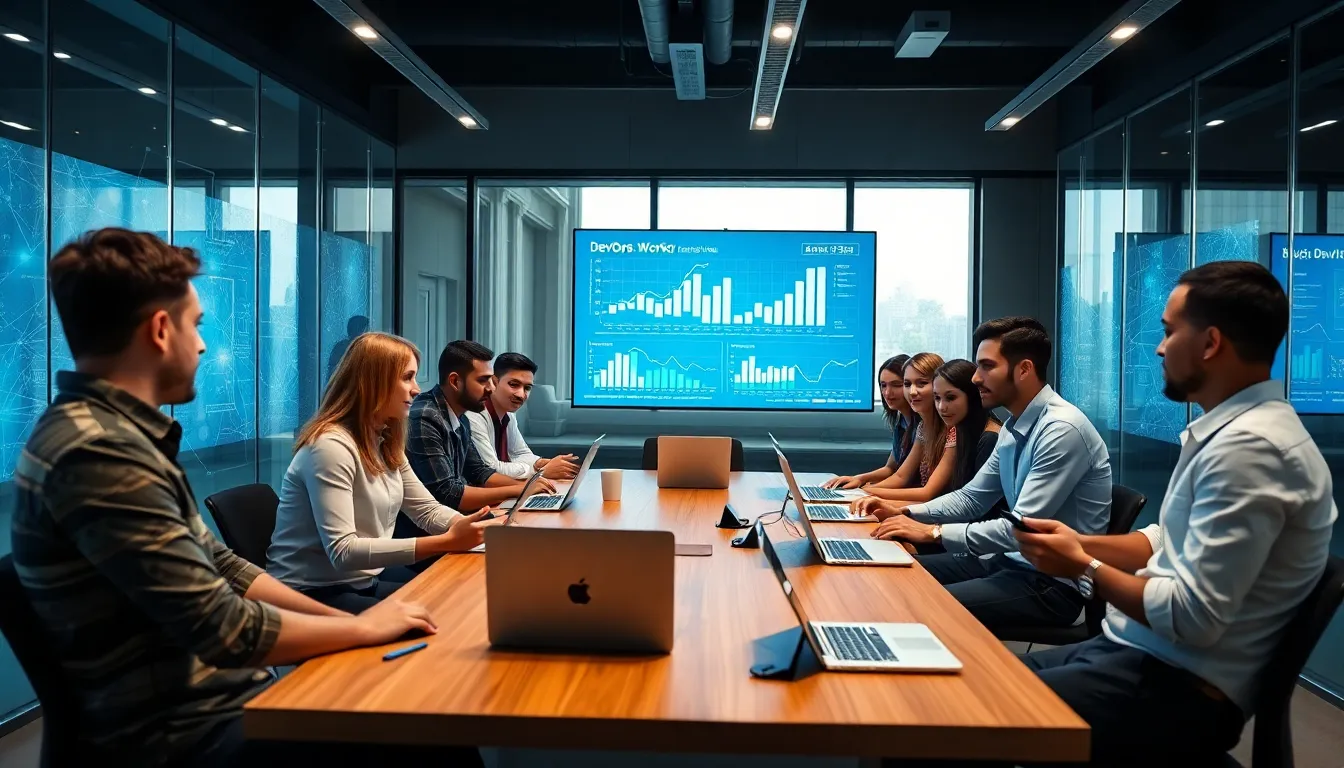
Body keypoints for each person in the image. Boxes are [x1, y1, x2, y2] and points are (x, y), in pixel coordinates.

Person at [11, 228, 479, 767]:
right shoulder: (100, 454)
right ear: (161, 330)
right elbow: (223, 629)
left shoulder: (112, 435)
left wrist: (350, 625)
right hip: (185, 735)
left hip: (213, 707)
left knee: (420, 700)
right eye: (197, 326)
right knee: (427, 725)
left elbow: (222, 564)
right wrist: (355, 627)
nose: (204, 344)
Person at [1014, 262, 1335, 766]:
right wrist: (1078, 543)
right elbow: (1167, 540)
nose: (1160, 348)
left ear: (1209, 344)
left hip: (1172, 686)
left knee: (960, 719)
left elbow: (1193, 617)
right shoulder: (1233, 432)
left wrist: (1083, 566)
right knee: (975, 686)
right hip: (1137, 655)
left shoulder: (1250, 448)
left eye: (1168, 332)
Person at [858, 317, 1111, 633]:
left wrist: (933, 532)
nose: (976, 378)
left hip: (1050, 584)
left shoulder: (1061, 430)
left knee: (919, 602)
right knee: (891, 575)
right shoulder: (1013, 427)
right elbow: (970, 498)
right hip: (1005, 560)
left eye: (987, 367)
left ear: (1023, 370)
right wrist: (905, 512)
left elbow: (1020, 528)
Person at [266, 332, 499, 613]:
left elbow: (426, 510)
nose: (416, 388)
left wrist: (482, 528)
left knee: (455, 601)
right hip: (311, 592)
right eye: (407, 377)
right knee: (440, 617)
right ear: (374, 382)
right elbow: (343, 551)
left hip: (363, 579)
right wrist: (446, 541)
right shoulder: (330, 447)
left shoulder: (384, 439)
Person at [405, 340, 551, 524]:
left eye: (491, 379)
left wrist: (534, 487)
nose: (491, 388)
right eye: (483, 380)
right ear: (455, 381)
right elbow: (448, 493)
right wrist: (520, 490)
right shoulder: (425, 417)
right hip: (428, 536)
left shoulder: (461, 415)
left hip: (453, 523)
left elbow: (479, 472)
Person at [852, 352, 957, 504]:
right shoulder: (923, 427)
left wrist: (863, 491)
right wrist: (860, 488)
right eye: (907, 384)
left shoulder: (953, 431)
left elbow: (927, 493)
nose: (912, 392)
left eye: (921, 383)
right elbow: (900, 476)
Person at [465, 352, 579, 481]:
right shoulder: (474, 415)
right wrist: (539, 471)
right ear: (494, 382)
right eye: (514, 384)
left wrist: (540, 463)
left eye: (527, 388)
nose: (521, 394)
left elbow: (520, 453)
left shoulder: (508, 415)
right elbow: (490, 468)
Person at [825, 354, 915, 489]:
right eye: (883, 385)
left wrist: (865, 490)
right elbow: (891, 468)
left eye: (896, 385)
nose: (887, 392)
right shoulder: (901, 423)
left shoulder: (923, 427)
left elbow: (902, 478)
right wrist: (858, 479)